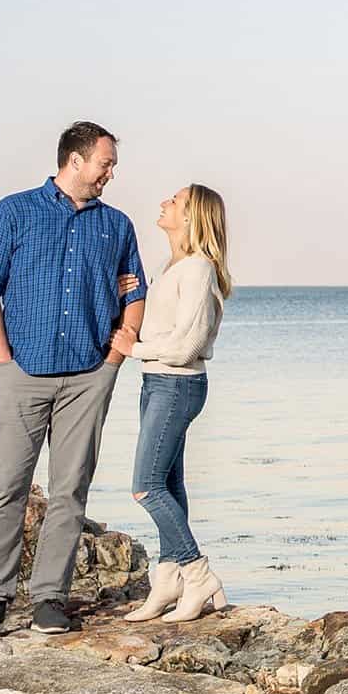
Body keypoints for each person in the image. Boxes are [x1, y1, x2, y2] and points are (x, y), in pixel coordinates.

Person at [0, 121, 148, 634]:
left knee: (70, 489)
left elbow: (135, 292)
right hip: (21, 370)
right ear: (75, 160)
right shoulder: (13, 212)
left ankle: (49, 597)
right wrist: (3, 360)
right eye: (105, 163)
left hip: (89, 376)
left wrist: (115, 356)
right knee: (7, 486)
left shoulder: (117, 225)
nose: (111, 174)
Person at [122, 184, 234, 622]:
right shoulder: (172, 267)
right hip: (157, 383)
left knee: (146, 486)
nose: (165, 201)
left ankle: (198, 573)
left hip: (177, 385)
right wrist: (129, 293)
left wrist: (133, 348)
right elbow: (161, 327)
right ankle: (168, 579)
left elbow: (188, 344)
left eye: (176, 200)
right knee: (169, 483)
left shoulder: (199, 269)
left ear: (191, 217)